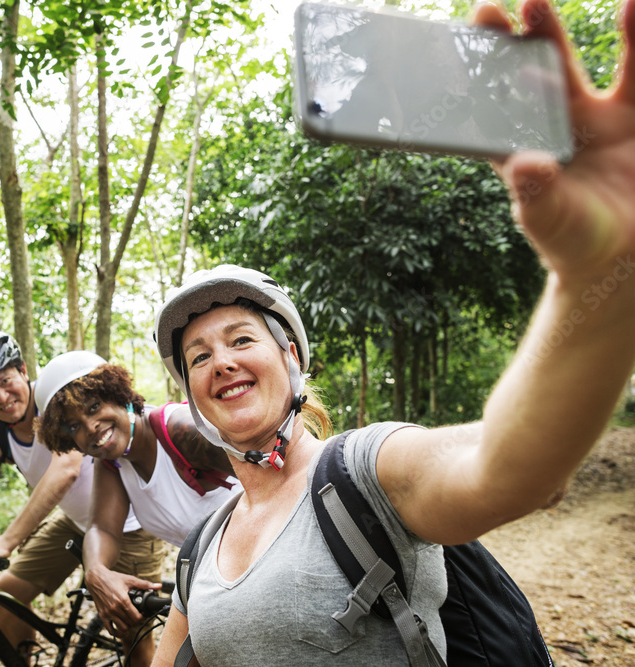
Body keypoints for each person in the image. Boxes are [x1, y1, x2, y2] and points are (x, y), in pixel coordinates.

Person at [148, 0, 635, 662]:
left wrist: (596, 278)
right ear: (190, 394)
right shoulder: (200, 547)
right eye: (198, 355)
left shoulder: (364, 471)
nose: (220, 362)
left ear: (290, 357)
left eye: (240, 339)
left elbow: (513, 468)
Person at [0, 330, 166, 665]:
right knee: (8, 592)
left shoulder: (57, 401)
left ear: (24, 371)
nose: (1, 396)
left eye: (6, 380)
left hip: (129, 524)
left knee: (133, 630)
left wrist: (6, 542)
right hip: (76, 521)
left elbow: (65, 471)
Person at [33, 350, 242, 644]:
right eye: (74, 426)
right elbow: (102, 528)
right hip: (211, 585)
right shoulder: (114, 462)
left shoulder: (180, 430)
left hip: (257, 573)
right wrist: (96, 573)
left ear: (118, 395)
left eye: (93, 407)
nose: (90, 427)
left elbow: (275, 477)